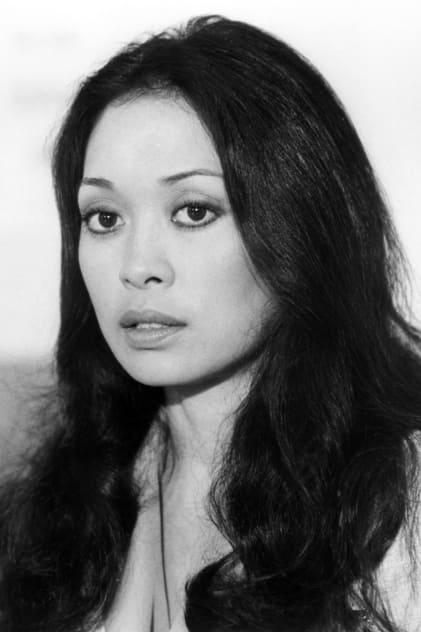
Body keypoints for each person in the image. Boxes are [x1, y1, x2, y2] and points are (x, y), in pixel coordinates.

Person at [1, 14, 421, 632]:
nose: (138, 267)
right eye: (104, 218)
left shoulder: (398, 501)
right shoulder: (60, 511)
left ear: (300, 226)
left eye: (193, 211)